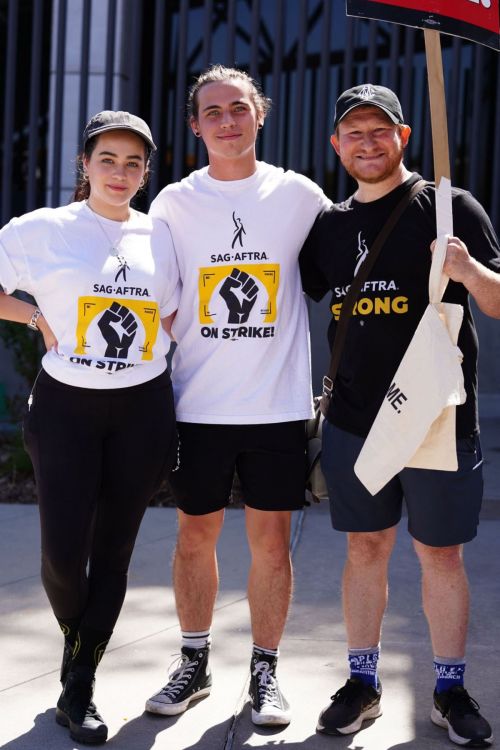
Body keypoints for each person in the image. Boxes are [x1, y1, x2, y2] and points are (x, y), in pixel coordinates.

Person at [299, 84, 500, 746]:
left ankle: (448, 688)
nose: (366, 142)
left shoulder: (448, 208)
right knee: (365, 549)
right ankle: (363, 682)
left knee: (440, 554)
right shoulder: (328, 228)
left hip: (439, 416)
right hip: (357, 420)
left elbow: (497, 303)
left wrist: (470, 272)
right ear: (337, 145)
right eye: (352, 132)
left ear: (403, 137)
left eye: (378, 130)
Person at [144, 64, 331, 726]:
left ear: (261, 114)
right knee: (194, 535)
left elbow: (355, 261)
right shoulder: (172, 202)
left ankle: (265, 672)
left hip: (277, 409)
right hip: (198, 405)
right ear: (195, 125)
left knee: (272, 544)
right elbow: (153, 298)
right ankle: (193, 663)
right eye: (213, 112)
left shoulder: (301, 195)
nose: (228, 121)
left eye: (239, 108)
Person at [0, 110, 180, 745]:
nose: (121, 172)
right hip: (66, 408)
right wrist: (30, 316)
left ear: (147, 171)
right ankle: (78, 638)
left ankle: (80, 682)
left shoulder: (161, 234)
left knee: (116, 551)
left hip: (142, 407)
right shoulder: (41, 230)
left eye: (134, 162)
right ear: (85, 164)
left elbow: (178, 311)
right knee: (61, 553)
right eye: (108, 159)